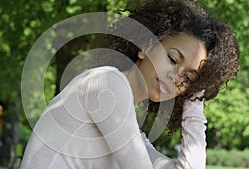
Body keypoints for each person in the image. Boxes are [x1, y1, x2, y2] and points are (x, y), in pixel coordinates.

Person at [20, 0, 239, 169]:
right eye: (172, 59)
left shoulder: (126, 123)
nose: (176, 78)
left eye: (188, 78)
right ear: (146, 44)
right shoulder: (107, 84)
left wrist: (194, 96)